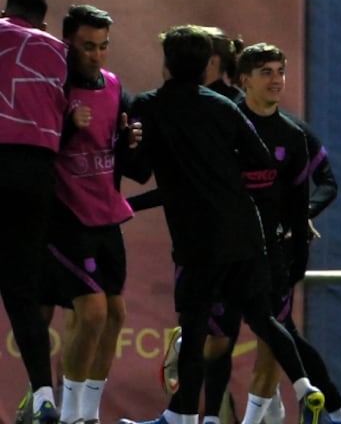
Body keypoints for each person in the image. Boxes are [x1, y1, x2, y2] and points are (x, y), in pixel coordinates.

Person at [121, 25, 325, 424]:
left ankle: (180, 419)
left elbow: (139, 170)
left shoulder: (148, 106)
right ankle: (306, 388)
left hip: (197, 238)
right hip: (243, 232)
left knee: (195, 329)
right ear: (205, 66)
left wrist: (131, 144)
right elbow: (262, 158)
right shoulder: (223, 107)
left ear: (166, 63)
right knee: (264, 316)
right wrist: (224, 176)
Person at [199, 43, 341, 424]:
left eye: (280, 71)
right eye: (266, 72)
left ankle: (316, 412)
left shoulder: (293, 134)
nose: (276, 80)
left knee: (275, 337)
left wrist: (299, 220)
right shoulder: (225, 125)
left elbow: (324, 185)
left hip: (272, 254)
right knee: (220, 340)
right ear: (244, 80)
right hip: (225, 252)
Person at [49, 5, 146, 424]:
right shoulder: (52, 87)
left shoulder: (113, 86)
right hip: (67, 215)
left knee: (116, 315)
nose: (97, 55)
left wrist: (131, 140)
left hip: (107, 213)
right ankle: (69, 414)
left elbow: (126, 156)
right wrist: (67, 126)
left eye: (104, 46)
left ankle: (89, 414)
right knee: (90, 312)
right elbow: (32, 149)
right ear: (68, 43)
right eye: (88, 46)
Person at [0, 0, 68, 424]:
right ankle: (44, 394)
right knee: (22, 293)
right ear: (42, 23)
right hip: (39, 173)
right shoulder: (59, 50)